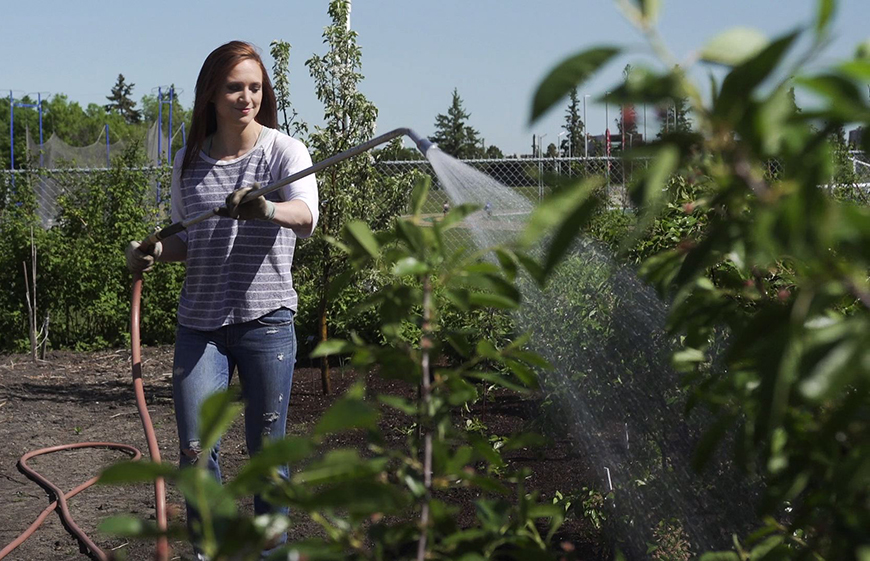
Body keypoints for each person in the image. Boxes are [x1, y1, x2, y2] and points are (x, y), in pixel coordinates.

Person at [125, 41, 318, 556]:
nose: (246, 97)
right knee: (195, 450)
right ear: (211, 93)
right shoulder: (189, 161)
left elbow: (307, 218)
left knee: (267, 453)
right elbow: (188, 239)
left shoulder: (284, 152)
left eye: (255, 87)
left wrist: (267, 210)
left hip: (268, 322)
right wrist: (153, 252)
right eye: (235, 87)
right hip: (200, 326)